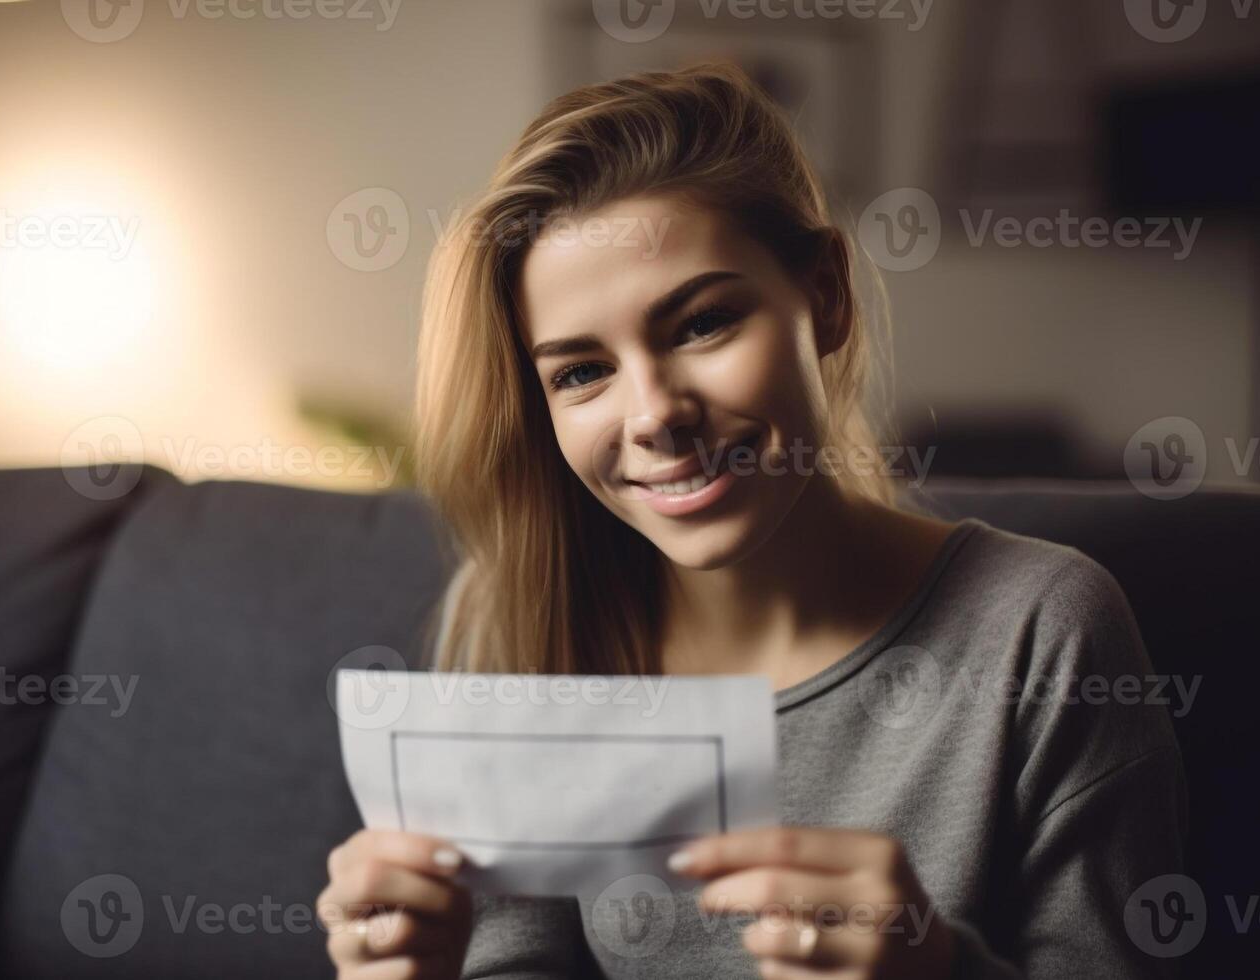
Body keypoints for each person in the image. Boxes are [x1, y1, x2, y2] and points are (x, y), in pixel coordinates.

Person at [318, 63, 1187, 979]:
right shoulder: (520, 620)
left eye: (701, 324)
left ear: (824, 298)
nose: (653, 413)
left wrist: (936, 970)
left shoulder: (1042, 628)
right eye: (580, 373)